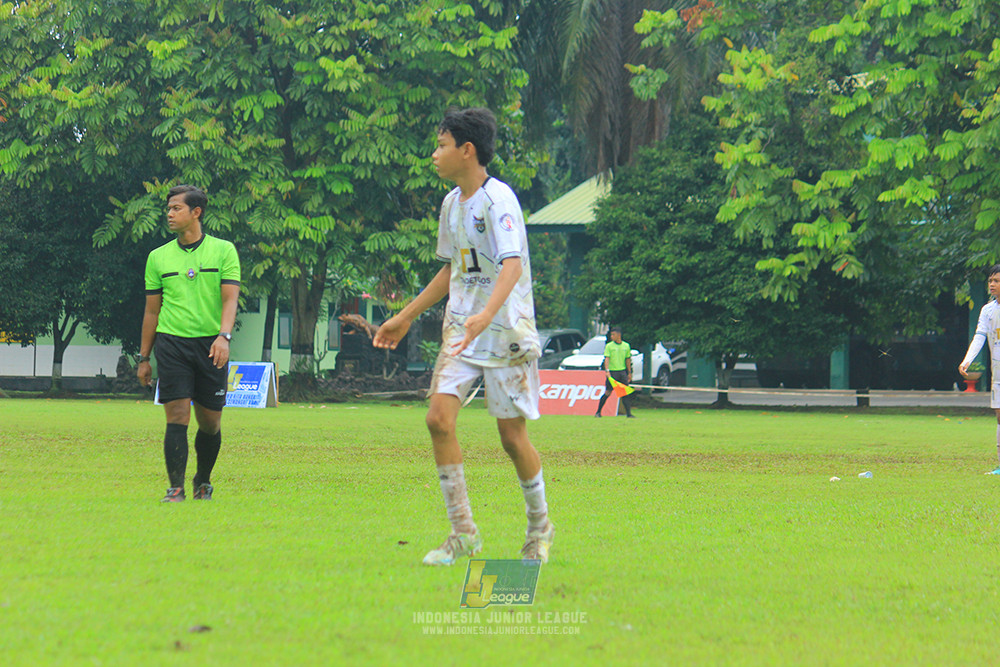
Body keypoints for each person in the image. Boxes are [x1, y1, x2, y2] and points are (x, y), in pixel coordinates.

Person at [373, 107, 555, 565]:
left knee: (512, 439)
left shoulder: (499, 202)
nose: (434, 155)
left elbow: (511, 265)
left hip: (506, 332)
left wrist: (486, 315)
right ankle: (464, 533)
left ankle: (540, 527)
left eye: (441, 145)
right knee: (438, 419)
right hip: (461, 330)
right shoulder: (452, 204)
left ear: (466, 150)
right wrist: (406, 315)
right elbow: (453, 269)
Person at [137, 185, 241, 502]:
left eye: (176, 208)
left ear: (196, 212)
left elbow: (230, 299)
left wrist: (224, 337)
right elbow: (152, 311)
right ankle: (176, 488)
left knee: (210, 422)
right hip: (172, 344)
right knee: (178, 414)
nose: (169, 214)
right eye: (168, 208)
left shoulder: (224, 251)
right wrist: (144, 357)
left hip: (211, 344)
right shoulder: (157, 257)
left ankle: (203, 480)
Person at [959, 264, 1000, 475]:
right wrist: (967, 360)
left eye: (997, 281)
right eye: (990, 281)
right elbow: (980, 336)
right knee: (999, 416)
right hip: (998, 373)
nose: (992, 285)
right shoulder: (987, 310)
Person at [595, 326, 635, 418]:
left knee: (624, 392)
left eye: (613, 335)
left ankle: (629, 414)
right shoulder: (609, 346)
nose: (612, 336)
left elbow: (628, 360)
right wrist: (607, 370)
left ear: (619, 335)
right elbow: (607, 359)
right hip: (613, 372)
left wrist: (629, 372)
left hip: (622, 372)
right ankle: (598, 412)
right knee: (608, 392)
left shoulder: (626, 346)